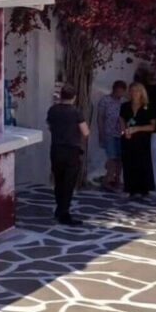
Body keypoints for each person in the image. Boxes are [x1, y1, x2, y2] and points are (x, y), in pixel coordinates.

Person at [46, 83, 90, 226]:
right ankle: (64, 213)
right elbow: (85, 132)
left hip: (56, 149)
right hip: (71, 150)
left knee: (59, 181)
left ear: (61, 96)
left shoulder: (53, 110)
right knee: (68, 183)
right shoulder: (76, 112)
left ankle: (59, 209)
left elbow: (50, 127)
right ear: (74, 97)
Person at [120, 82, 156, 198]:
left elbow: (152, 126)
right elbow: (122, 121)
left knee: (142, 163)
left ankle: (143, 188)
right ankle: (129, 188)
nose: (134, 93)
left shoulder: (148, 107)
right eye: (132, 90)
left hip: (142, 139)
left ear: (142, 93)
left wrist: (137, 128)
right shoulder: (125, 106)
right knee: (128, 162)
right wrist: (125, 131)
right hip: (128, 138)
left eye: (137, 90)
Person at [97, 80, 127, 190]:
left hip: (121, 133)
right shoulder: (105, 100)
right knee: (112, 157)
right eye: (119, 91)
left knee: (120, 158)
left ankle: (117, 179)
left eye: (122, 92)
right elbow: (100, 117)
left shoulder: (124, 102)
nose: (120, 94)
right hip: (109, 133)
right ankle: (108, 179)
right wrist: (101, 132)